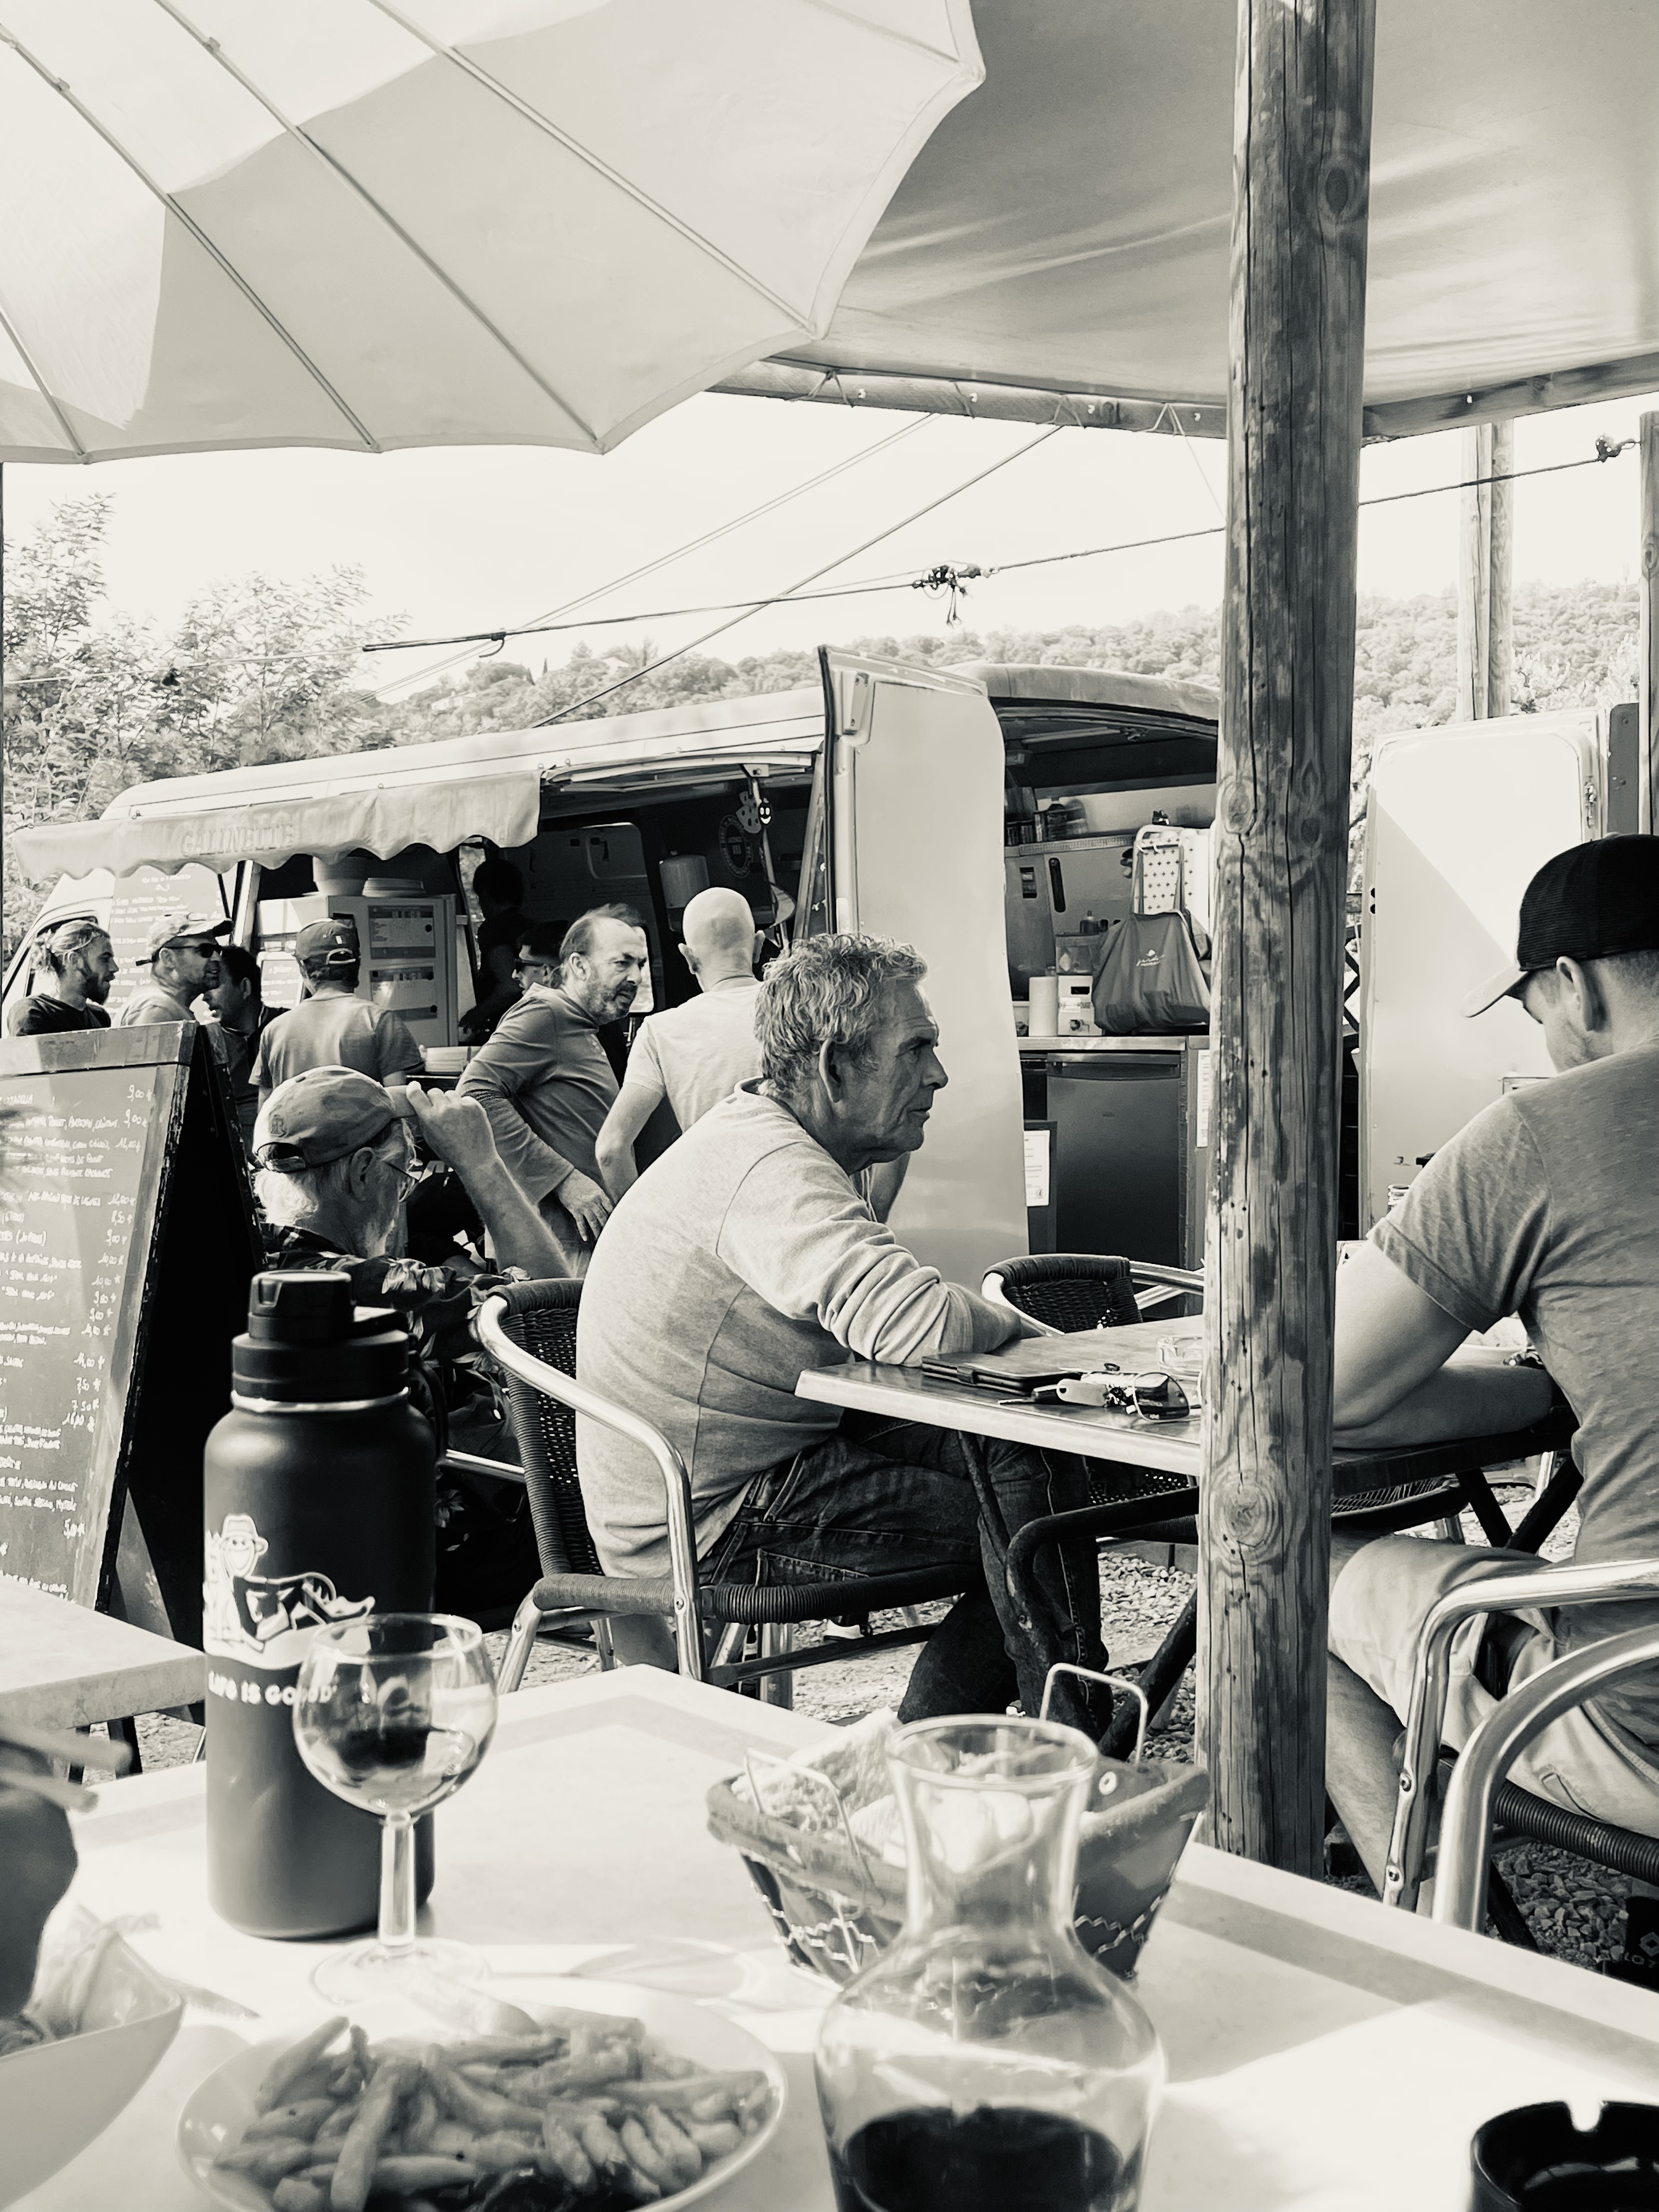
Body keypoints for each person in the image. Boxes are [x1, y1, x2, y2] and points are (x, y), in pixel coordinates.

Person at [575, 932, 1111, 1737]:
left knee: (1023, 1466)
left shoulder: (769, 1142)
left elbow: (895, 1316)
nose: (939, 1074)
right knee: (1032, 1532)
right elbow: (918, 1324)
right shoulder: (770, 1169)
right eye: (917, 1049)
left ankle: (952, 1749)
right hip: (708, 1516)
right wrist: (1023, 1326)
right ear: (834, 1068)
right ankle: (1063, 1750)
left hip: (749, 1455)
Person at [1325, 833, 1659, 1913]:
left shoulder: (1541, 1134)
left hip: (1638, 1719)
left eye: (1534, 1011)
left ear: (1574, 985)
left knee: (1281, 1578)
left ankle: (1436, 1943)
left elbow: (1323, 1395)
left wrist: (1536, 1391)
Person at [252, 1067, 566, 1615]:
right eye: (403, 1175)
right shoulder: (386, 1293)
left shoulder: (248, 1261)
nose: (403, 1193)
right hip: (436, 1562)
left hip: (288, 1545)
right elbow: (553, 1312)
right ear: (363, 1173)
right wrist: (481, 1163)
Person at [457, 904, 649, 1276]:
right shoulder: (546, 1014)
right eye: (622, 963)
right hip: (563, 1245)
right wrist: (563, 1179)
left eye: (640, 964)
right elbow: (474, 1093)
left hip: (588, 1238)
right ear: (579, 966)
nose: (636, 977)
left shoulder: (577, 1021)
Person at [595, 885, 763, 1198]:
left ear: (688, 956)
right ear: (758, 945)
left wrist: (643, 1220)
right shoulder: (806, 1010)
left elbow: (611, 1149)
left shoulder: (660, 1031)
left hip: (717, 1212)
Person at [253, 918, 424, 1105]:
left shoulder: (274, 1031)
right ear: (356, 966)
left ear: (303, 968)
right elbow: (398, 1103)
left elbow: (265, 1110)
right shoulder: (380, 1021)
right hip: (365, 1126)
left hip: (291, 1127)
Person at [208, 943, 283, 1153]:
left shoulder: (286, 1026)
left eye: (215, 984)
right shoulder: (209, 1043)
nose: (205, 996)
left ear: (244, 988)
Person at [119, 911, 230, 1031]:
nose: (217, 958)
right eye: (205, 950)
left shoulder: (167, 1006)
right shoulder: (158, 1008)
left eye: (217, 950)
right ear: (168, 958)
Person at [460, 857, 530, 1043]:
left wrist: (477, 1014)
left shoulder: (493, 929)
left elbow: (511, 984)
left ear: (486, 894)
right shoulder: (528, 925)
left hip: (508, 1026)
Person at [10, 921, 117, 1035]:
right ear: (74, 961)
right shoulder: (32, 1013)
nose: (115, 968)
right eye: (105, 959)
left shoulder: (100, 1017)